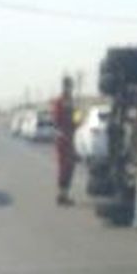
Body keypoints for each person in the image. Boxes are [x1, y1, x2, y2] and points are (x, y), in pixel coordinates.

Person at [52, 76, 76, 206]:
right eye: (68, 85)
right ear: (64, 86)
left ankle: (65, 194)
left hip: (71, 137)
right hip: (63, 138)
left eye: (71, 85)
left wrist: (77, 120)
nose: (70, 88)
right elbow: (56, 121)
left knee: (70, 167)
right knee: (64, 167)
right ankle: (61, 195)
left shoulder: (71, 101)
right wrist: (63, 134)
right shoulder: (59, 101)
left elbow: (75, 117)